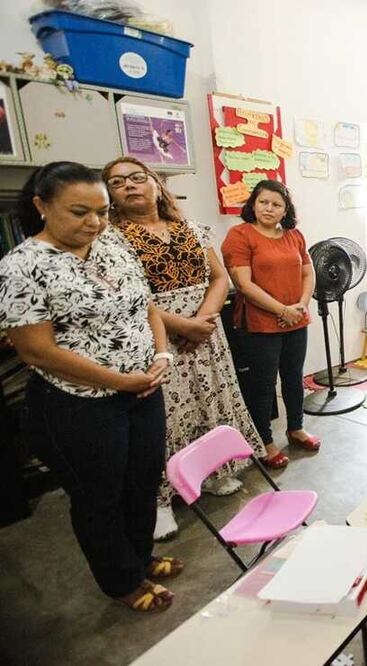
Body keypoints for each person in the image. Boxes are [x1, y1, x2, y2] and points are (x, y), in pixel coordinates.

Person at [0, 162, 180, 612]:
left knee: (141, 483)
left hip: (142, 390)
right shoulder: (22, 266)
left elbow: (147, 307)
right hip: (80, 406)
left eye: (101, 211)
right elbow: (37, 351)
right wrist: (121, 380)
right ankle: (121, 582)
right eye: (79, 212)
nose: (94, 223)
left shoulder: (111, 244)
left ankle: (139, 558)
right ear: (42, 206)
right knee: (100, 497)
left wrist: (160, 356)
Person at [103, 157, 264, 542]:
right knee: (164, 418)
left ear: (156, 184)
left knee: (209, 401)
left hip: (206, 332)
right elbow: (127, 297)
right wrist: (182, 326)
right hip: (155, 336)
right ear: (109, 195)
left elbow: (220, 277)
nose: (130, 186)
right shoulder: (109, 239)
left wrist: (203, 320)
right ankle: (159, 499)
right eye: (117, 182)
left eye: (138, 177)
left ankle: (208, 474)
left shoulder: (192, 227)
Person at [221, 180, 318, 470]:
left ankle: (296, 428)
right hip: (260, 324)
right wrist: (281, 309)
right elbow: (243, 284)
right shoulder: (239, 236)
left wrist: (300, 304)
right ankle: (263, 441)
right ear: (253, 203)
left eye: (276, 204)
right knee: (262, 386)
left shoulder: (294, 236)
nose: (269, 208)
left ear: (285, 209)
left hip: (296, 320)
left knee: (293, 377)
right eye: (263, 202)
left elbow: (308, 273)